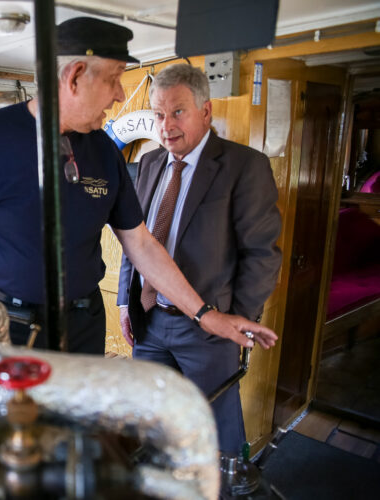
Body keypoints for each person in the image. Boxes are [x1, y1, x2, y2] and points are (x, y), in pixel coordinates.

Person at [0, 17, 277, 357]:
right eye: (114, 79)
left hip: (83, 325)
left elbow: (140, 243)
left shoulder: (103, 150)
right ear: (76, 77)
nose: (120, 94)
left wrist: (206, 314)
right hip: (6, 325)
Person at [116, 63, 282, 454]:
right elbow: (136, 239)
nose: (165, 125)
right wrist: (126, 299)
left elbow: (261, 254)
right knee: (153, 425)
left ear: (205, 112)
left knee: (216, 434)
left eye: (178, 112)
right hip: (150, 320)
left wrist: (229, 321)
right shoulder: (151, 164)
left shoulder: (245, 167)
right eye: (158, 115)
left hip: (208, 332)